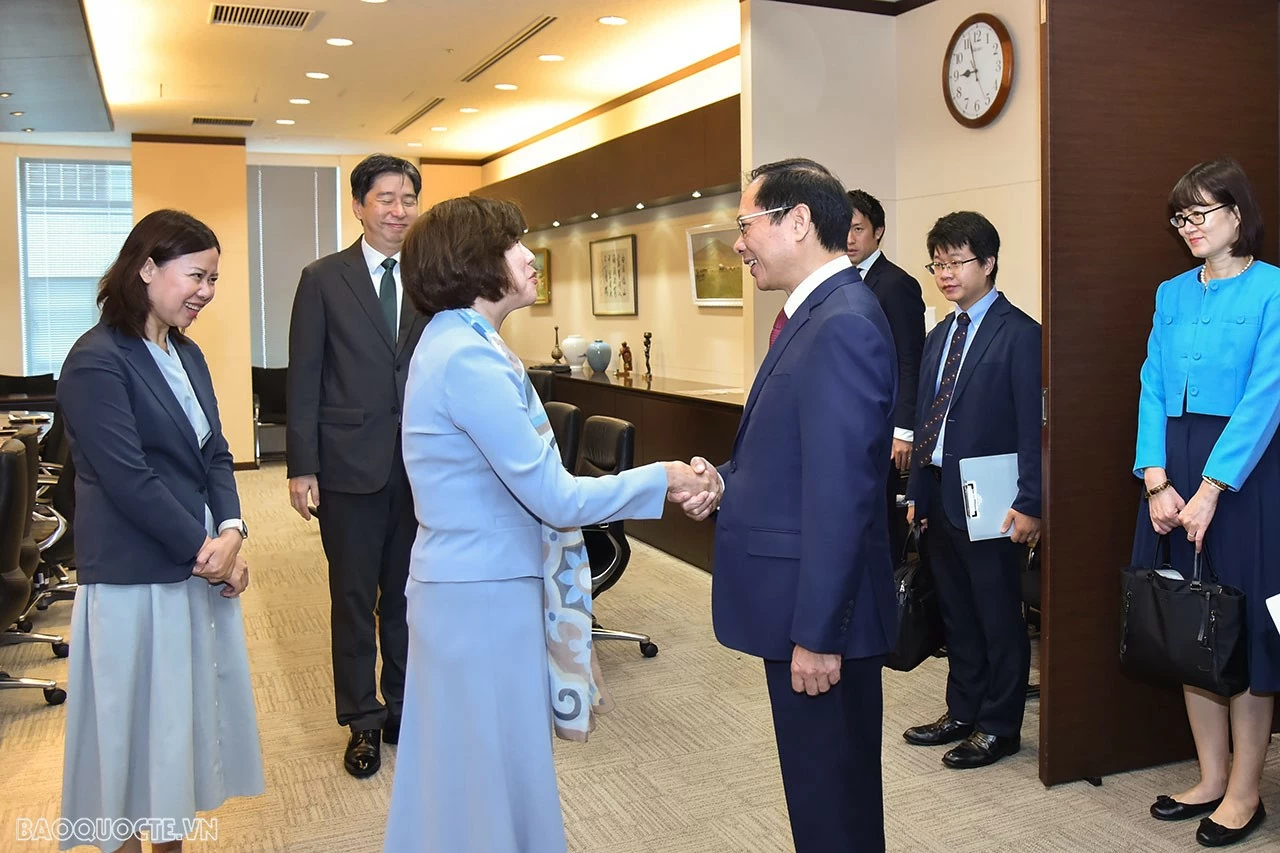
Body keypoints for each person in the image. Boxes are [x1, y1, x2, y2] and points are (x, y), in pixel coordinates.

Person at [381, 195, 718, 853]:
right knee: (482, 777)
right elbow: (555, 498)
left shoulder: (461, 343)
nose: (530, 256)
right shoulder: (467, 357)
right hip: (479, 596)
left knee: (478, 773)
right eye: (514, 246)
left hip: (474, 587)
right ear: (477, 264)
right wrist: (665, 476)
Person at [679, 158, 899, 852]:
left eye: (746, 225)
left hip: (821, 618)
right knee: (821, 796)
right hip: (807, 603)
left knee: (834, 806)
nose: (738, 243)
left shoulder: (844, 325)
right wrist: (724, 480)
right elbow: (794, 462)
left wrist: (818, 633)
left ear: (798, 220)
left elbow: (843, 495)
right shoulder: (814, 317)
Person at [57, 209, 262, 852]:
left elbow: (216, 454)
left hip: (192, 562)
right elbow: (129, 480)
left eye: (214, 279)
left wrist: (231, 530)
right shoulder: (96, 360)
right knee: (127, 741)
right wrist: (211, 553)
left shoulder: (186, 352)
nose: (205, 291)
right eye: (196, 275)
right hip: (133, 575)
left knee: (174, 733)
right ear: (146, 268)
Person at [1135, 158, 1279, 847]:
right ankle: (1211, 775)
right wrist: (1157, 479)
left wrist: (1212, 489)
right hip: (1173, 465)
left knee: (1245, 628)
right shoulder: (1170, 292)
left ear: (1238, 213)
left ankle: (1248, 791)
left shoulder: (1275, 289)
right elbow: (1151, 384)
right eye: (1180, 217)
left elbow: (1266, 395)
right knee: (1190, 621)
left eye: (1200, 213)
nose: (1188, 227)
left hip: (1245, 473)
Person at [286, 154, 426, 778]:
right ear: (359, 205)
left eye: (408, 199)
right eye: (387, 199)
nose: (399, 211)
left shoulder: (430, 278)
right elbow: (305, 377)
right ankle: (361, 721)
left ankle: (400, 707)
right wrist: (301, 466)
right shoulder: (323, 278)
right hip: (346, 468)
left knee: (404, 596)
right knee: (352, 597)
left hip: (420, 467)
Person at [901, 211, 1041, 770]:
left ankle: (1000, 724)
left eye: (956, 261)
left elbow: (1033, 427)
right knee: (956, 613)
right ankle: (962, 710)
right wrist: (916, 490)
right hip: (939, 492)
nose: (945, 273)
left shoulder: (1021, 335)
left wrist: (1031, 502)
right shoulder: (941, 334)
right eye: (937, 263)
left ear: (987, 263)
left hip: (995, 501)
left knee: (997, 614)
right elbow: (923, 420)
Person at [846, 189, 927, 562]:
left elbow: (911, 360)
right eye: (842, 228)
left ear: (878, 231)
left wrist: (903, 429)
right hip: (849, 424)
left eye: (858, 228)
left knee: (879, 526)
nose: (849, 238)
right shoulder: (839, 280)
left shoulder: (896, 284)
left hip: (884, 427)